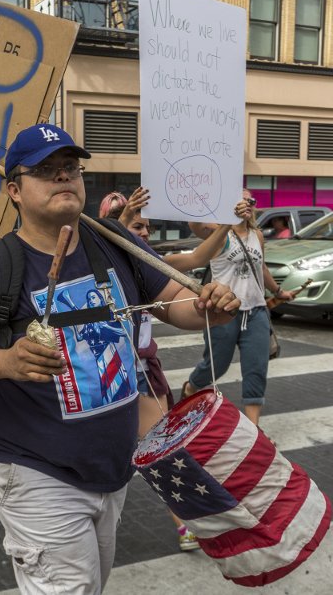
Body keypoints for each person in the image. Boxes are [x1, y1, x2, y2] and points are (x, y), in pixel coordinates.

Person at [0, 124, 239, 594]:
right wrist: (6, 363)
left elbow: (173, 303)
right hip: (37, 473)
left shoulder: (115, 242)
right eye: (45, 170)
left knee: (90, 584)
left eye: (70, 167)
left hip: (113, 469)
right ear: (14, 190)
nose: (63, 176)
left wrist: (211, 307)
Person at [99, 190, 249, 552]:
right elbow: (113, 240)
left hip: (143, 371)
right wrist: (120, 224)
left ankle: (189, 522)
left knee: (165, 449)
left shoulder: (148, 263)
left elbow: (197, 257)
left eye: (147, 227)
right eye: (136, 225)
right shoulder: (96, 266)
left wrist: (227, 224)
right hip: (105, 374)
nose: (144, 233)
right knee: (122, 452)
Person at [182, 190, 294, 430]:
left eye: (250, 200)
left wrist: (278, 291)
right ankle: (191, 387)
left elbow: (261, 267)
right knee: (216, 365)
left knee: (256, 369)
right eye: (240, 200)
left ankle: (254, 431)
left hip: (256, 311)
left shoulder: (257, 235)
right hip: (224, 313)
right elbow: (194, 224)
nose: (246, 204)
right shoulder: (220, 233)